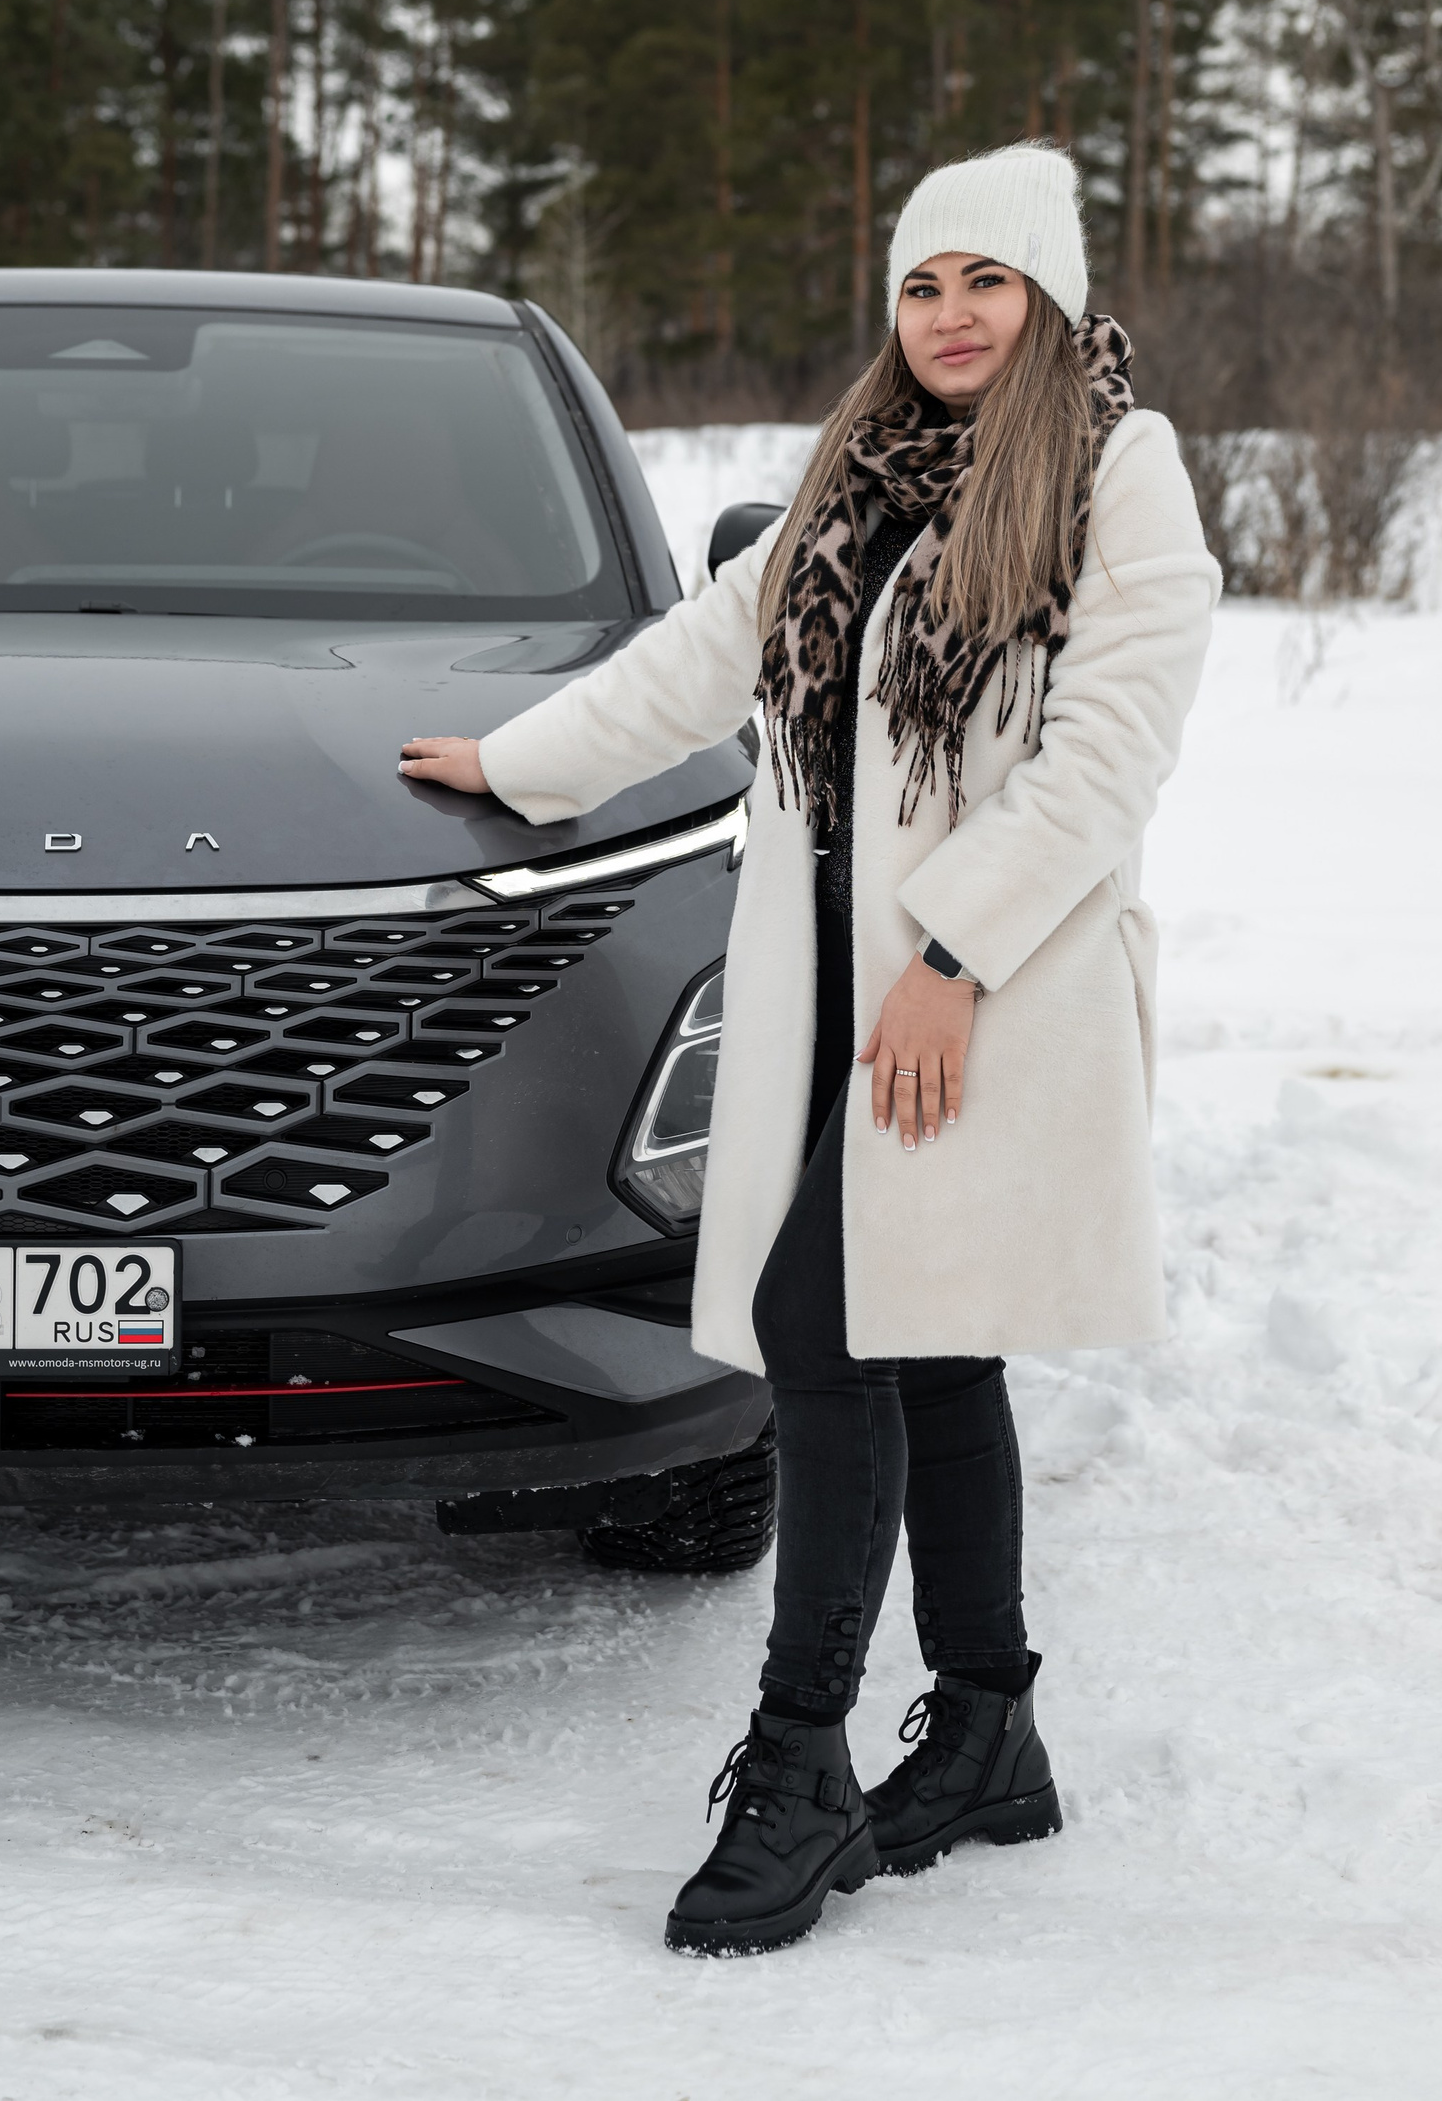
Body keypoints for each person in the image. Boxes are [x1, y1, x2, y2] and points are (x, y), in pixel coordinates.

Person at [401, 144, 1220, 1955]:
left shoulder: (1116, 469)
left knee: (825, 1329)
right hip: (838, 994)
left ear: (1051, 298)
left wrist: (955, 956)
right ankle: (990, 1731)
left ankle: (800, 1765)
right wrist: (515, 765)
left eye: (985, 281)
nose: (949, 316)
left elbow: (1110, 750)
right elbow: (705, 654)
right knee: (929, 1352)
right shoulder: (861, 472)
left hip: (977, 996)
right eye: (922, 285)